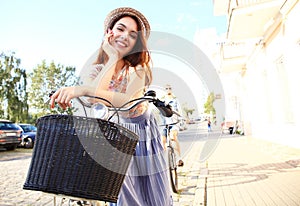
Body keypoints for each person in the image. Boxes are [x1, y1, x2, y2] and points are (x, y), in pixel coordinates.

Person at [50, 7, 172, 206]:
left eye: (132, 35)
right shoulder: (96, 68)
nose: (125, 36)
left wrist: (82, 90)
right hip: (116, 134)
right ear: (109, 32)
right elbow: (94, 99)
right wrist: (112, 59)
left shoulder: (138, 68)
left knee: (151, 196)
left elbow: (123, 100)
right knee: (121, 194)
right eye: (120, 29)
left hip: (143, 133)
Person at [161, 84, 184, 167]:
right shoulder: (162, 101)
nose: (168, 90)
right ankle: (164, 161)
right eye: (166, 88)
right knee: (162, 141)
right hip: (164, 123)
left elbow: (180, 112)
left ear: (171, 90)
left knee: (173, 137)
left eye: (169, 88)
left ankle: (179, 158)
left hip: (174, 123)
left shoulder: (175, 100)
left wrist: (180, 120)